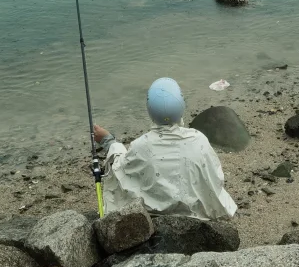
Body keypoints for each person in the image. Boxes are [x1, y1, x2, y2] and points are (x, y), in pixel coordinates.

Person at [92, 77, 237, 220]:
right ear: (181, 106)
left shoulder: (141, 146)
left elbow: (120, 169)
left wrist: (108, 141)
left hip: (155, 215)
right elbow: (215, 176)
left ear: (150, 110)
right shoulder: (199, 140)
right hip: (195, 214)